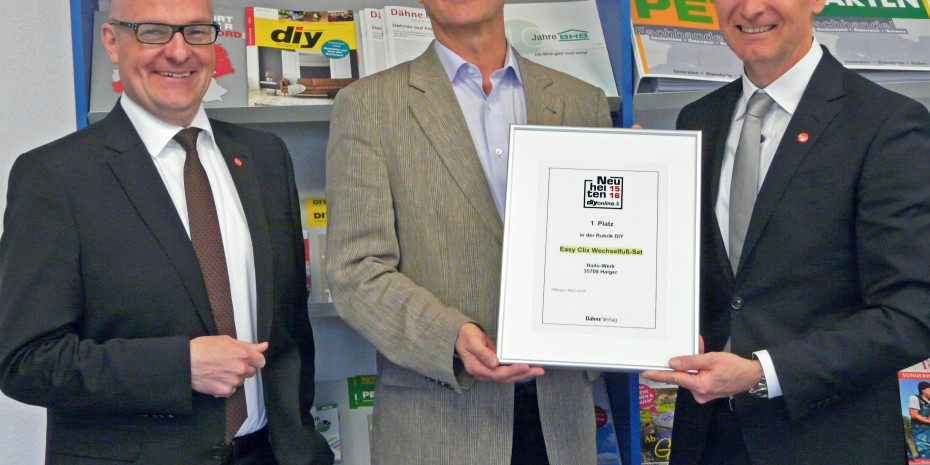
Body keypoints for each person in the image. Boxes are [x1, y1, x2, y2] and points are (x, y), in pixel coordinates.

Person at [0, 0, 333, 464]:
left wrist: (302, 444)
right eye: (153, 31)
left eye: (196, 31)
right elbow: (25, 361)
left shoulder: (265, 157)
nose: (179, 52)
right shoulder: (55, 176)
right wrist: (179, 368)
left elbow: (291, 329)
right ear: (112, 42)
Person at [641, 0, 930, 463]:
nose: (751, 8)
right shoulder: (698, 120)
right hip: (707, 437)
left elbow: (912, 313)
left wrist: (763, 373)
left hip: (827, 441)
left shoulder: (886, 124)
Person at [324, 0, 611, 463]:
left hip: (560, 415)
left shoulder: (582, 101)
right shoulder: (367, 106)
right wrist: (450, 337)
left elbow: (601, 245)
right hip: (439, 418)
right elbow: (355, 270)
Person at [911, 382, 930, 459]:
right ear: (923, 390)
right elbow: (913, 414)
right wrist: (929, 421)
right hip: (921, 434)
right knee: (925, 454)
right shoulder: (915, 398)